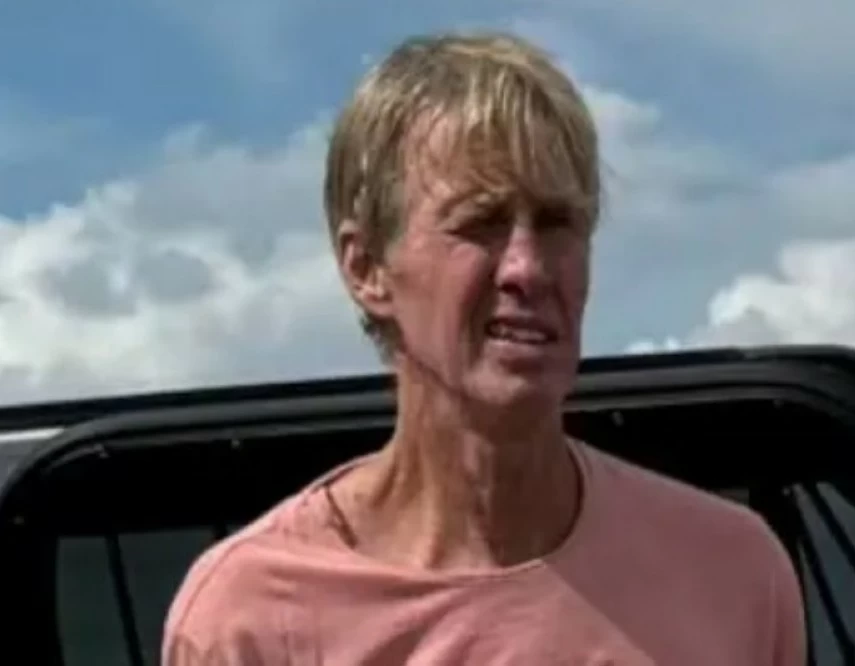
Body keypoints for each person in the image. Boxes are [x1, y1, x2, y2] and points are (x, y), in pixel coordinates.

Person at [161, 30, 807, 665]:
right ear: (366, 268)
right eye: (481, 223)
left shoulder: (732, 576)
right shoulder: (251, 619)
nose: (527, 268)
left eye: (557, 223)